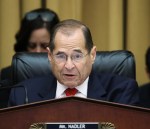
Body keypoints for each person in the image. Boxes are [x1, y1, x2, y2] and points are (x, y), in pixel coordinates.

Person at [8, 19, 139, 106]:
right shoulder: (23, 94)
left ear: (92, 55)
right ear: (49, 55)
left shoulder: (120, 92)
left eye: (77, 56)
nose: (69, 66)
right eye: (60, 56)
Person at [0, 8, 60, 81]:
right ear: (24, 46)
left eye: (44, 46)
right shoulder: (8, 75)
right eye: (32, 46)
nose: (38, 51)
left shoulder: (67, 75)